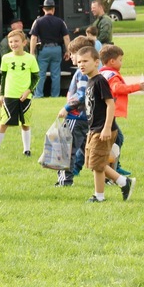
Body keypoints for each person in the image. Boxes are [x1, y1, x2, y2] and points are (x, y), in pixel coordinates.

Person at [76, 46, 135, 203]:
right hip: (94, 129)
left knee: (97, 164)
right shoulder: (90, 81)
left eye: (85, 61)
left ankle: (99, 196)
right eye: (79, 62)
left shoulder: (100, 81)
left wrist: (107, 127)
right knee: (95, 162)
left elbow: (110, 104)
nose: (81, 64)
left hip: (103, 129)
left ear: (96, 62)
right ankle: (123, 182)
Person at [0, 29, 39, 157]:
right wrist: (2, 94)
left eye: (16, 41)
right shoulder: (6, 58)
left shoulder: (30, 59)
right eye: (11, 42)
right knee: (4, 122)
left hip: (24, 97)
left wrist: (28, 91)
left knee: (25, 124)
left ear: (24, 42)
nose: (13, 44)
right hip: (10, 95)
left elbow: (36, 77)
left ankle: (27, 150)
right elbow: (3, 77)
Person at [99, 45, 144, 177]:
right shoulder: (112, 75)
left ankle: (113, 166)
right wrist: (137, 87)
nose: (121, 62)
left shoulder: (103, 72)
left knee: (115, 139)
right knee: (116, 139)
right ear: (112, 61)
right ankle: (113, 167)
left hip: (103, 113)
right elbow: (117, 89)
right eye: (120, 59)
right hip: (108, 113)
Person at [55, 36, 95, 187]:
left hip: (76, 117)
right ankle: (107, 176)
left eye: (72, 53)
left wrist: (66, 108)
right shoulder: (88, 71)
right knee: (89, 152)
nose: (70, 56)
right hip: (87, 118)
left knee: (67, 149)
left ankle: (64, 180)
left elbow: (82, 94)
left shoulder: (81, 73)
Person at [29, 0, 70, 98]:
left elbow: (33, 38)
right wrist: (68, 51)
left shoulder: (38, 21)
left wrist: (32, 52)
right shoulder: (60, 22)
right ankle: (55, 95)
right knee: (56, 74)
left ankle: (38, 95)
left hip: (44, 49)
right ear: (53, 9)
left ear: (44, 9)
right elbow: (66, 37)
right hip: (57, 49)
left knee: (41, 74)